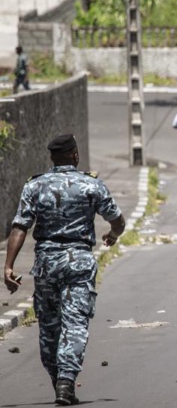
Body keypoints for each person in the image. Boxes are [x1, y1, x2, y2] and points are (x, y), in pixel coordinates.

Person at [3, 134, 126, 404]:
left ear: (51, 157)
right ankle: (66, 382)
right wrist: (113, 235)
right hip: (79, 262)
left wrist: (8, 266)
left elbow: (20, 226)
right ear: (75, 154)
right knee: (75, 323)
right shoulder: (91, 184)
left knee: (49, 327)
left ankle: (58, 381)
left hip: (46, 264)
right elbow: (117, 220)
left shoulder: (34, 186)